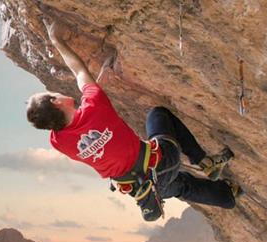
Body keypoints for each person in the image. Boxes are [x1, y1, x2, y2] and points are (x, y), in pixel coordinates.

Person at [26, 19, 242, 221]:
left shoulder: (58, 142)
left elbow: (51, 122)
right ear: (55, 101)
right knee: (158, 114)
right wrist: (56, 39)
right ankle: (202, 160)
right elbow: (79, 71)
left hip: (143, 186)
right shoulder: (94, 106)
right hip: (163, 161)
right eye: (51, 93)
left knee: (180, 186)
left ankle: (228, 196)